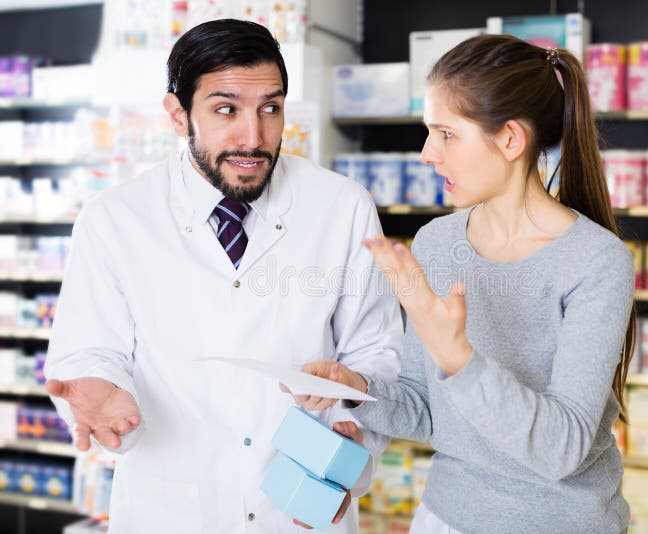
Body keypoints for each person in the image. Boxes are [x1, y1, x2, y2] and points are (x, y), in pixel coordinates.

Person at [43, 19, 402, 534]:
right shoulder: (115, 218)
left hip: (299, 510)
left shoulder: (341, 206)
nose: (253, 138)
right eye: (225, 109)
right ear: (177, 113)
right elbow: (86, 352)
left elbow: (378, 351)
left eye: (270, 109)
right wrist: (103, 389)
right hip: (169, 511)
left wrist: (353, 435)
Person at [295, 34, 637, 533]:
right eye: (427, 132)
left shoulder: (596, 262)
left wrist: (458, 358)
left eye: (446, 134)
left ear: (511, 140)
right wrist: (357, 388)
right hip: (445, 518)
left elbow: (562, 448)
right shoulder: (438, 243)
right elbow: (426, 411)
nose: (427, 154)